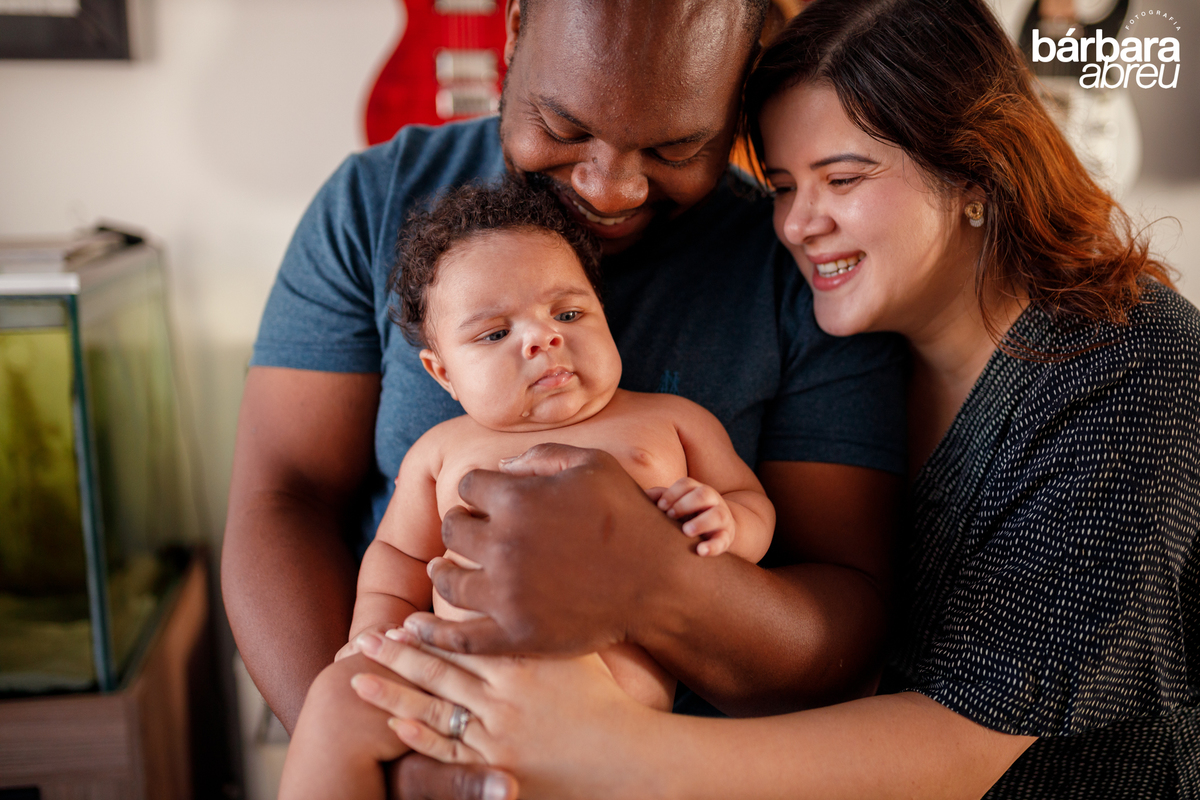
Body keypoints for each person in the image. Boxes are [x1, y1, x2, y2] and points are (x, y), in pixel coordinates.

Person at [340, 0, 1200, 797]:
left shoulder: (1129, 371)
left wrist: (601, 746)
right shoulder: (876, 351)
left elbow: (966, 743)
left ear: (975, 172)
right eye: (784, 186)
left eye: (844, 179)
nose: (795, 224)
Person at [222, 0, 906, 795]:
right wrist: (392, 742)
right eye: (565, 126)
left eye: (674, 145)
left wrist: (665, 584)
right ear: (513, 30)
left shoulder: (798, 261)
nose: (609, 188)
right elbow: (287, 499)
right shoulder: (376, 204)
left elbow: (844, 606)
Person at [279, 177, 776, 799]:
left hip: (598, 703)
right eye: (493, 334)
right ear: (444, 373)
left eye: (568, 314)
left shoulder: (670, 422)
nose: (542, 338)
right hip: (455, 676)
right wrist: (372, 637)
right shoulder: (440, 451)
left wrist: (724, 523)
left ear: (603, 313)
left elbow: (752, 504)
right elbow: (400, 556)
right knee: (334, 699)